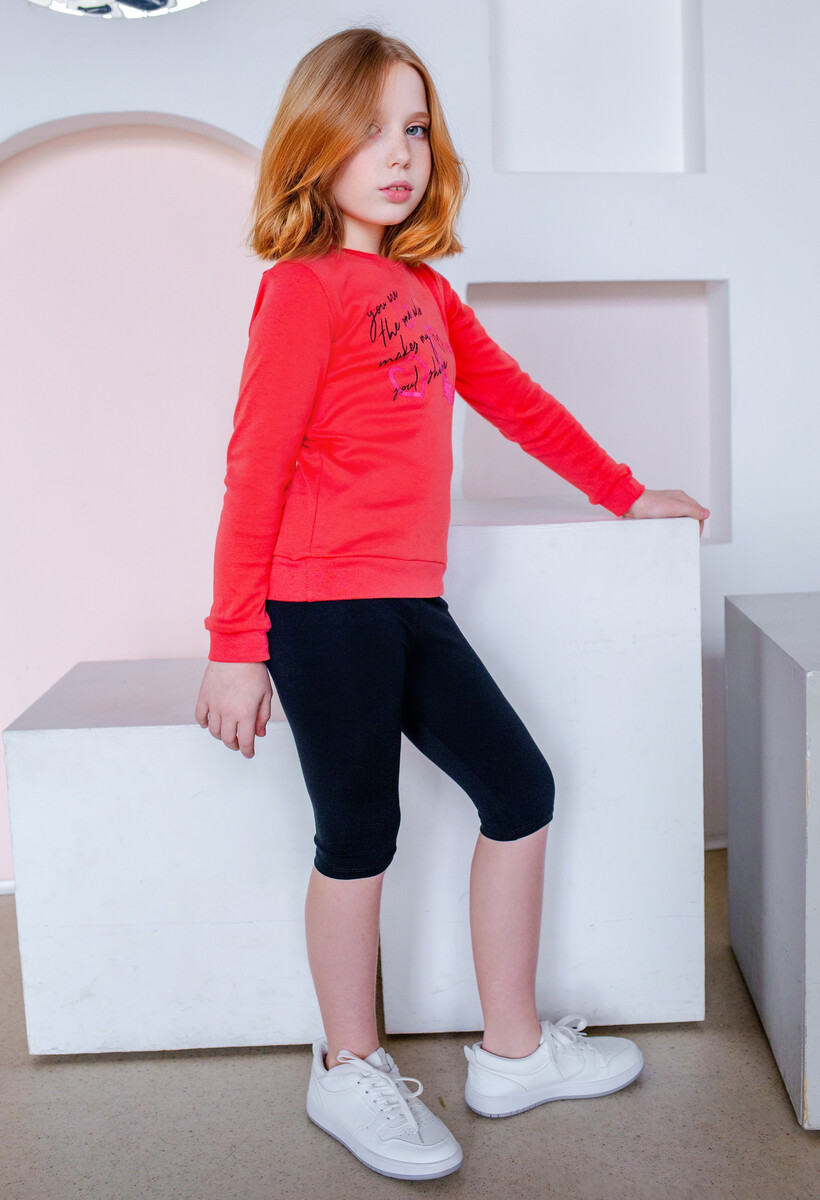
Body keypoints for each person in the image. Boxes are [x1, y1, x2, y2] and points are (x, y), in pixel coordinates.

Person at [194, 26, 709, 1183]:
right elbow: (254, 468)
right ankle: (347, 1065)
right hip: (321, 607)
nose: (398, 153)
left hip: (408, 601)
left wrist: (624, 491)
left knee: (519, 792)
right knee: (359, 837)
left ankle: (512, 1053)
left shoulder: (423, 290)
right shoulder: (300, 291)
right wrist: (235, 643)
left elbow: (513, 398)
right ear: (313, 145)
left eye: (415, 128)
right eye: (369, 128)